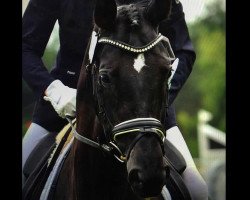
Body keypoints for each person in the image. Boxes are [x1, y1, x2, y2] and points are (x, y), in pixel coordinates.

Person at [22, 0, 208, 199]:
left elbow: (183, 50)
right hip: (65, 101)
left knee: (197, 189)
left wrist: (159, 91)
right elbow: (25, 47)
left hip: (144, 108)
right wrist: (53, 90)